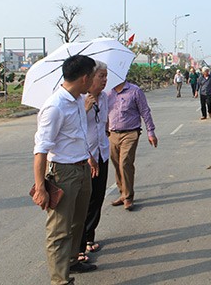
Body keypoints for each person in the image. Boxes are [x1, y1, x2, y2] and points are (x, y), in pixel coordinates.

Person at [32, 54, 98, 284]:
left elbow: (77, 133)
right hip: (64, 174)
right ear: (83, 78)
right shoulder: (55, 107)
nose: (94, 82)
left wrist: (89, 157)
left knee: (77, 222)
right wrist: (41, 188)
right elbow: (40, 150)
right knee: (59, 231)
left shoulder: (79, 99)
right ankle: (60, 280)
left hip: (82, 169)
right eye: (92, 77)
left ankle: (72, 261)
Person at [107, 80, 158, 211]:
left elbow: (145, 111)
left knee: (125, 163)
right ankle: (122, 193)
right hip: (112, 134)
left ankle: (128, 197)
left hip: (130, 133)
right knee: (116, 163)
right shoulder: (107, 93)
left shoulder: (135, 91)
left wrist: (150, 132)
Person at [78, 61, 109, 257]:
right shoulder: (79, 100)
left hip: (102, 153)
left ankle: (90, 236)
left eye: (106, 76)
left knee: (98, 197)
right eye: (101, 76)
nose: (105, 80)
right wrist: (85, 109)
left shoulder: (104, 97)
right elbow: (73, 129)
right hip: (84, 157)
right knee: (83, 202)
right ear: (89, 78)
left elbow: (103, 123)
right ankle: (79, 245)